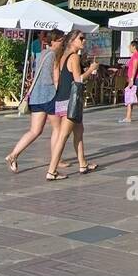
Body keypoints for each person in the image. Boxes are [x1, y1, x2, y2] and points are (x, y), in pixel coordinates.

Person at [4, 31, 65, 172]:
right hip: (49, 96)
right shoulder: (54, 55)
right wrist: (58, 90)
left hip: (36, 97)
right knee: (58, 128)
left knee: (34, 131)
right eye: (61, 40)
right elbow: (54, 79)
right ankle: (57, 159)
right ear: (54, 41)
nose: (62, 43)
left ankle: (13, 154)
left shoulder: (41, 54)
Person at [46, 30, 99, 179]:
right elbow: (78, 79)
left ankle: (83, 164)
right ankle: (51, 171)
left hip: (62, 99)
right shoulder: (74, 57)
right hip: (71, 101)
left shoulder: (62, 56)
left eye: (84, 38)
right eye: (81, 38)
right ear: (72, 41)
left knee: (79, 132)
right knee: (63, 136)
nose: (84, 41)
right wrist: (91, 69)